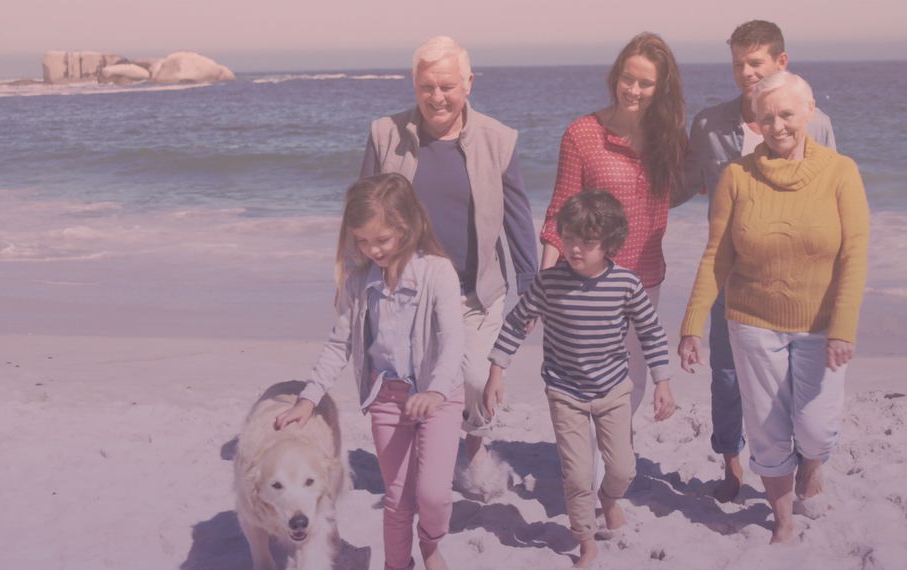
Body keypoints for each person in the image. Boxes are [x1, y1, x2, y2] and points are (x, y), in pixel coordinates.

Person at [678, 71, 869, 544]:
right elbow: (717, 255)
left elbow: (855, 254)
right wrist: (692, 324)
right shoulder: (737, 176)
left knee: (816, 429)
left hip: (821, 324)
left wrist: (843, 327)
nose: (778, 126)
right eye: (767, 118)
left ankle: (812, 465)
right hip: (752, 322)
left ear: (809, 112)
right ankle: (782, 522)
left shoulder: (841, 172)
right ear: (756, 123)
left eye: (787, 114)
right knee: (767, 430)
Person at [360, 36, 538, 471]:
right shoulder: (385, 134)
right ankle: (421, 455)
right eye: (427, 87)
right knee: (414, 377)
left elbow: (516, 215)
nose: (436, 97)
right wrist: (353, 276)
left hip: (476, 291)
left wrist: (531, 284)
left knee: (475, 377)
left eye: (447, 86)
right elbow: (363, 213)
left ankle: (475, 445)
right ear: (414, 84)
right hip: (409, 289)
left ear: (468, 83)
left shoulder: (498, 139)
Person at [681, 20, 837, 503]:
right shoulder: (709, 124)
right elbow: (683, 184)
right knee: (727, 377)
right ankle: (731, 464)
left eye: (756, 63)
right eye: (738, 64)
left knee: (800, 378)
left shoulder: (815, 122)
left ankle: (809, 465)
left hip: (800, 279)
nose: (746, 72)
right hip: (732, 276)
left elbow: (832, 195)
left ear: (780, 62)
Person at [276, 173, 465, 570]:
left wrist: (436, 391)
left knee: (432, 495)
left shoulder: (438, 273)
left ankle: (430, 544)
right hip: (387, 399)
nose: (371, 249)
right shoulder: (359, 281)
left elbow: (453, 341)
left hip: (439, 396)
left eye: (381, 239)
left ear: (406, 227)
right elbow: (339, 344)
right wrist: (309, 398)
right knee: (397, 498)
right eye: (361, 241)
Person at [485, 190, 676, 568]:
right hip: (564, 391)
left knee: (622, 469)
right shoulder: (548, 283)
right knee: (577, 475)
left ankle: (609, 500)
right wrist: (496, 370)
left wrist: (662, 380)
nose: (574, 249)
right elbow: (516, 324)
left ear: (609, 244)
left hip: (614, 389)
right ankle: (586, 542)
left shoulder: (626, 284)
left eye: (586, 242)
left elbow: (651, 333)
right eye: (569, 238)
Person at [538, 32, 687, 489]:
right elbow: (558, 212)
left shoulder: (669, 139)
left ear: (661, 88)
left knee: (632, 383)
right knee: (586, 381)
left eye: (646, 83)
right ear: (616, 76)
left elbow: (702, 179)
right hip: (587, 283)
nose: (633, 90)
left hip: (645, 279)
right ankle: (592, 477)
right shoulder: (582, 134)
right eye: (628, 78)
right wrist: (545, 284)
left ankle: (605, 469)